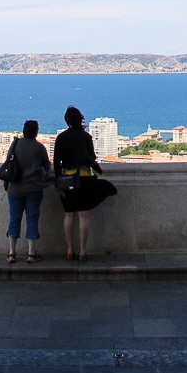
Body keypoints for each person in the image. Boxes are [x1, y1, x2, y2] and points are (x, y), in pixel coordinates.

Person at [53, 105, 117, 261]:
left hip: (68, 179)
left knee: (69, 215)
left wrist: (58, 184)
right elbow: (92, 158)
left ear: (66, 121)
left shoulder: (61, 138)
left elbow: (56, 163)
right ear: (80, 119)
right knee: (83, 216)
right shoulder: (86, 137)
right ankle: (82, 251)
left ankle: (69, 250)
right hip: (85, 178)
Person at [4, 120, 51, 264]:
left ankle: (12, 252)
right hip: (33, 188)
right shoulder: (39, 148)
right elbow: (47, 166)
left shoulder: (15, 144)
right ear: (36, 131)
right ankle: (31, 253)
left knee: (14, 218)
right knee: (32, 219)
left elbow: (8, 162)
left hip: (15, 188)